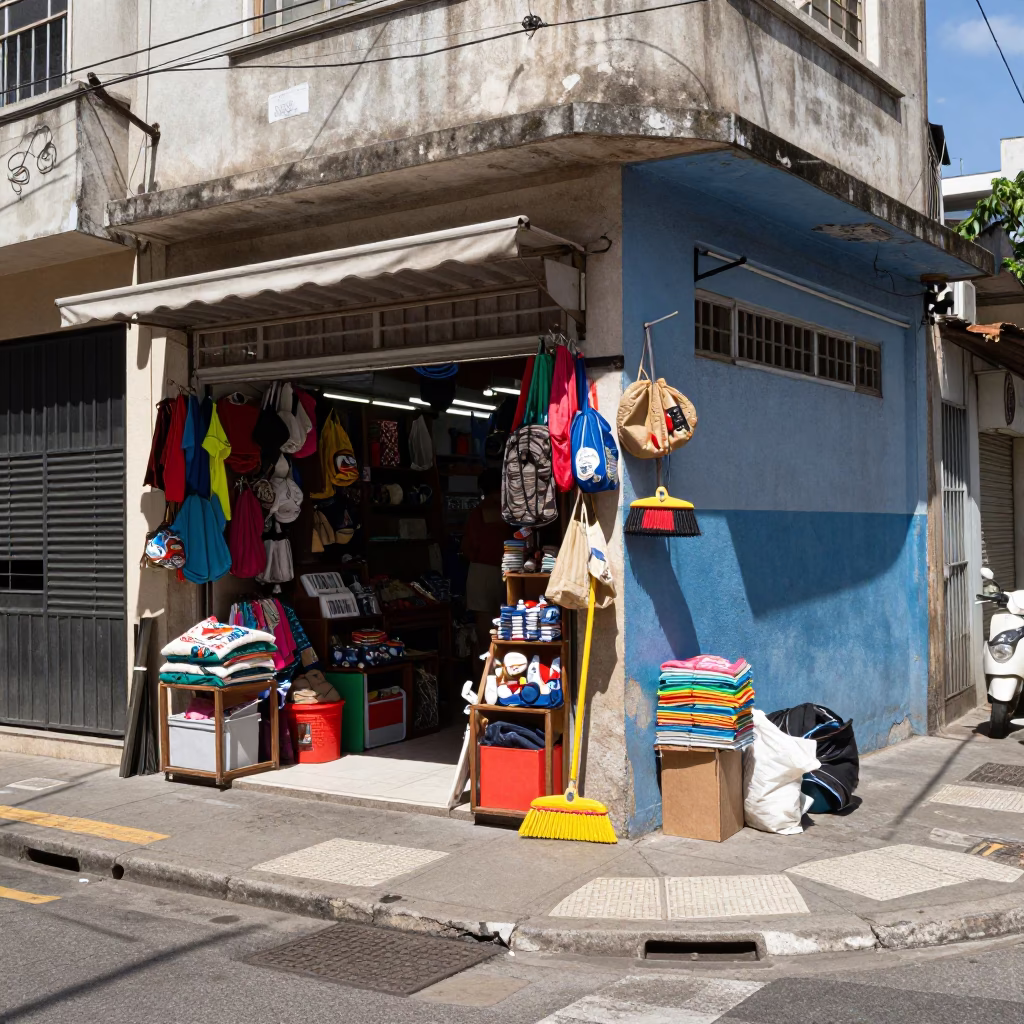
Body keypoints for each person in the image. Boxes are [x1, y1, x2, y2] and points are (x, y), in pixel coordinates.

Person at [461, 469, 507, 663]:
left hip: (480, 571)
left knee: (484, 629)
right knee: (507, 624)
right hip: (507, 570)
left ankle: (484, 669)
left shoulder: (478, 511)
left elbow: (467, 547)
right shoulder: (510, 510)